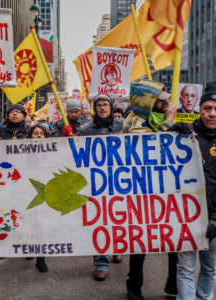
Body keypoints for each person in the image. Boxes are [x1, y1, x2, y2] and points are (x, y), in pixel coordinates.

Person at [174, 81, 216, 300]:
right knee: (184, 269)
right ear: (200, 110)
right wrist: (171, 132)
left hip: (214, 220)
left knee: (209, 268)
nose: (212, 114)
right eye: (207, 108)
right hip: (184, 217)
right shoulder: (185, 135)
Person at [121, 79, 178, 300]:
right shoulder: (134, 121)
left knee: (174, 239)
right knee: (140, 241)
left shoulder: (156, 117)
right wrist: (169, 123)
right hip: (142, 192)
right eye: (160, 101)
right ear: (148, 102)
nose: (166, 105)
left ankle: (173, 285)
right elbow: (152, 149)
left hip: (166, 191)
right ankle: (134, 286)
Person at [78, 94, 124, 281]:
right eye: (99, 105)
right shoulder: (85, 129)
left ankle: (118, 247)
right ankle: (101, 263)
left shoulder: (122, 125)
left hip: (120, 180)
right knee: (100, 221)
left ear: (111, 107)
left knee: (119, 218)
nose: (103, 108)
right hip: (96, 182)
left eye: (106, 104)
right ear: (94, 108)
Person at [26, 124, 50, 273]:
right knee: (30, 224)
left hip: (45, 193)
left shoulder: (53, 152)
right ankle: (29, 248)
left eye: (41, 133)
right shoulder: (23, 153)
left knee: (41, 226)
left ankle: (41, 259)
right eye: (35, 133)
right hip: (28, 192)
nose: (39, 136)